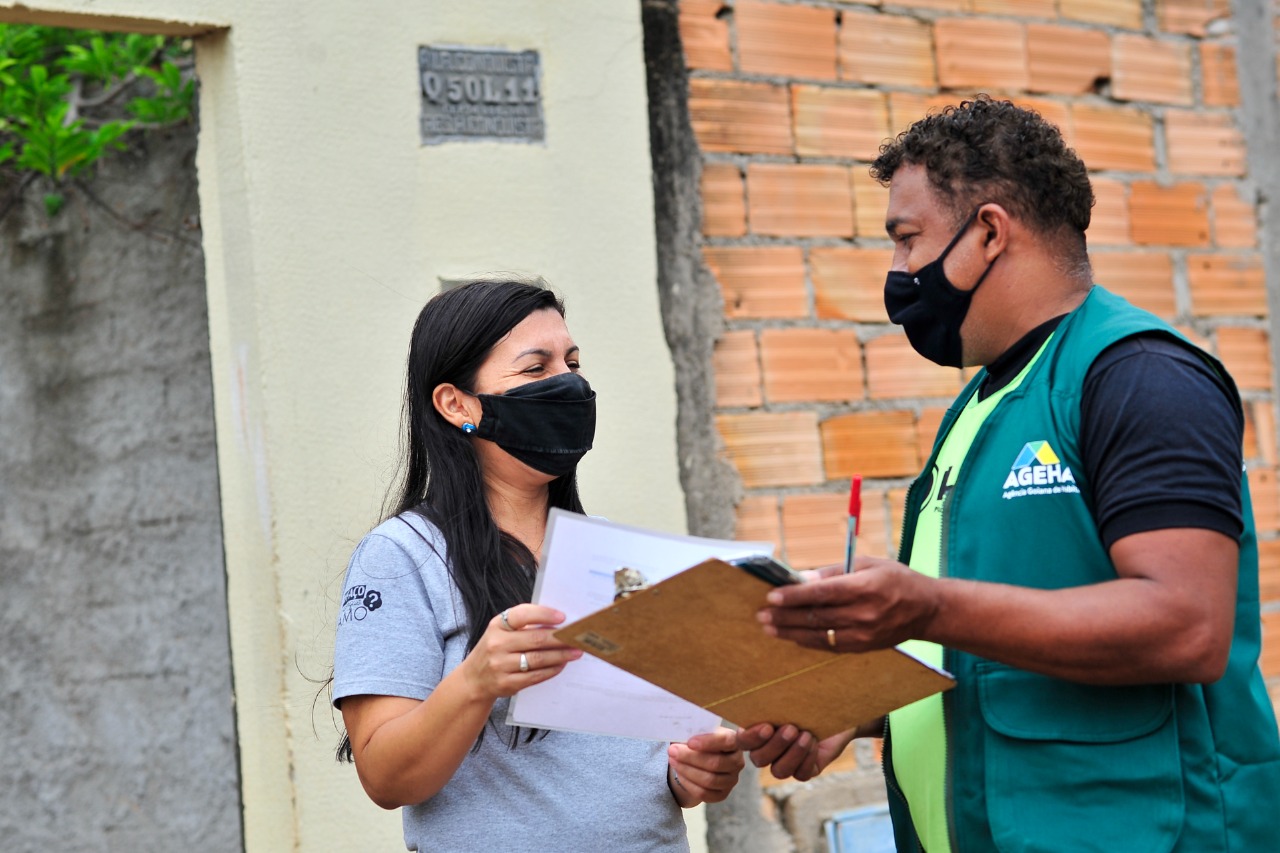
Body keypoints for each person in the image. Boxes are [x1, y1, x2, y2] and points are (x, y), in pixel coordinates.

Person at [738, 96, 1280, 852]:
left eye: (907, 240)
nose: (897, 273)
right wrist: (861, 705)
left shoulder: (1142, 376)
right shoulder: (983, 402)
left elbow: (1187, 626)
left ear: (989, 231)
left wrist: (924, 606)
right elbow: (996, 645)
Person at [332, 279, 744, 852]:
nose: (569, 384)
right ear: (457, 404)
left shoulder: (615, 555)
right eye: (535, 368)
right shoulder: (400, 556)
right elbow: (385, 776)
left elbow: (647, 764)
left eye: (572, 363)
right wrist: (477, 680)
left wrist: (692, 774)